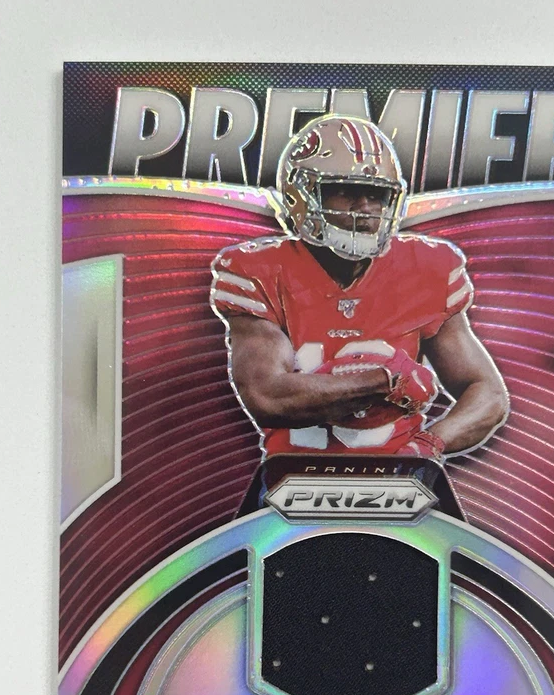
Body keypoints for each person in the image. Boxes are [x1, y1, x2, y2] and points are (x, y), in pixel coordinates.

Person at [210, 114, 508, 462]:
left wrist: (427, 446)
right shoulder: (259, 271)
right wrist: (384, 380)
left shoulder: (427, 268)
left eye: (376, 194)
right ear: (300, 197)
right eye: (346, 192)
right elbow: (267, 396)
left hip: (399, 476)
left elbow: (488, 393)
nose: (366, 209)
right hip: (290, 475)